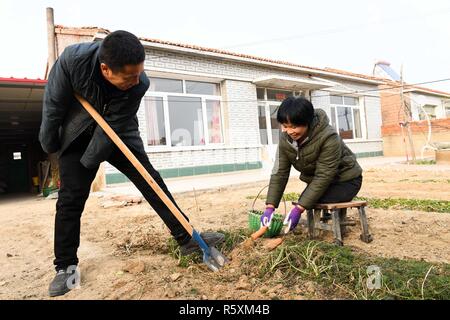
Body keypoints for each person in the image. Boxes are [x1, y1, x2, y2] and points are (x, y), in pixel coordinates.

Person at [39, 30, 224, 297]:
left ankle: (187, 239)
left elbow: (109, 130)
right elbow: (53, 106)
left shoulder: (140, 83)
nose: (136, 81)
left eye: (139, 73)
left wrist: (88, 164)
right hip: (77, 131)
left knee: (151, 181)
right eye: (128, 77)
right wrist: (51, 146)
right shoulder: (72, 61)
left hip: (118, 128)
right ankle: (65, 266)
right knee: (70, 198)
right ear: (106, 69)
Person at [260, 96, 363, 232]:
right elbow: (280, 172)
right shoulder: (286, 139)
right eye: (285, 126)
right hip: (321, 182)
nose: (290, 131)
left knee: (309, 200)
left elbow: (324, 175)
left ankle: (336, 226)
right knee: (307, 199)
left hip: (345, 181)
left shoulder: (328, 137)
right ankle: (309, 217)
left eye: (294, 126)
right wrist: (270, 206)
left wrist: (299, 209)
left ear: (307, 122)